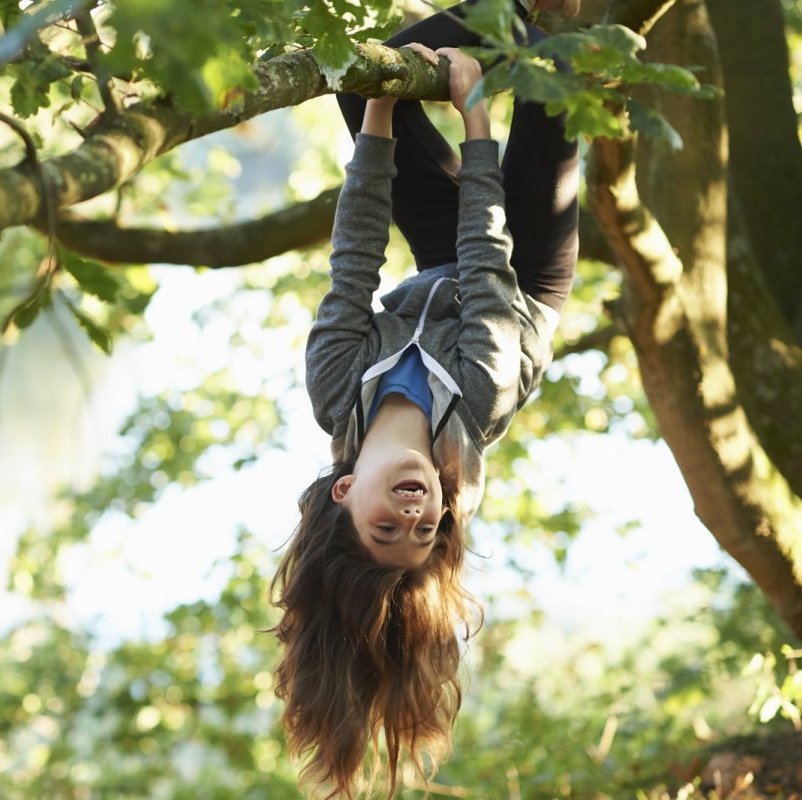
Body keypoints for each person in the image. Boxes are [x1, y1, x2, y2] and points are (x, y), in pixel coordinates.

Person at [272, 1, 580, 797]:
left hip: (439, 257)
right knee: (550, 72)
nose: (415, 511)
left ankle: (504, 8)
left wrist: (382, 100)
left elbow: (355, 256)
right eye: (424, 529)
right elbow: (488, 269)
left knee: (355, 73)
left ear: (344, 494)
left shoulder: (335, 392)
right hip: (517, 280)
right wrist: (476, 117)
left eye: (386, 526)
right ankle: (537, 23)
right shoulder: (477, 405)